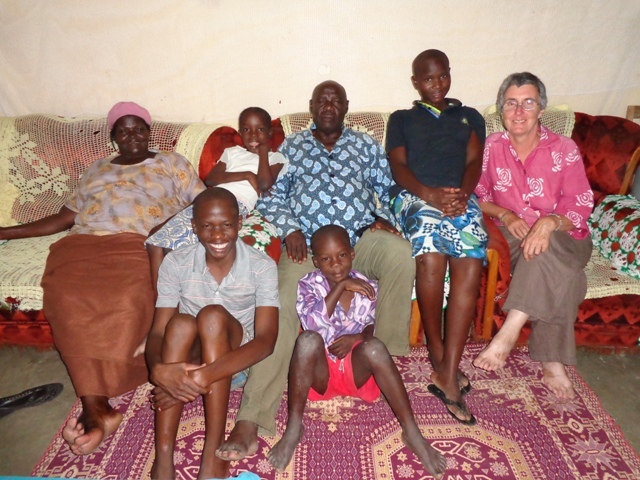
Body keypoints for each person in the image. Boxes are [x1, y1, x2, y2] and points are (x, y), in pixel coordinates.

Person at [215, 80, 415, 461]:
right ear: (311, 107)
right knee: (281, 304)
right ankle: (252, 419)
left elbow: (389, 188)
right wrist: (290, 228)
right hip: (306, 245)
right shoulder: (291, 147)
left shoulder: (365, 145)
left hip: (356, 241)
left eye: (335, 100)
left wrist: (385, 218)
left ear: (345, 107)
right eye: (321, 100)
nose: (327, 105)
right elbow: (271, 194)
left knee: (399, 253)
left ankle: (382, 359)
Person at [0, 101, 205, 454]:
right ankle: (98, 408)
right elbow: (64, 218)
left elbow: (203, 203)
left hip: (139, 243)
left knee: (127, 297)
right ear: (113, 138)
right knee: (64, 296)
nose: (132, 135)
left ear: (148, 131)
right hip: (83, 244)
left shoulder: (171, 162)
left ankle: (104, 398)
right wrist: (5, 232)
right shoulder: (96, 169)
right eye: (123, 130)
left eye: (138, 128)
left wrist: (169, 227)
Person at [267, 225, 446, 479]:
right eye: (326, 259)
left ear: (352, 254)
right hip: (321, 375)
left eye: (341, 255)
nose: (336, 264)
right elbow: (313, 324)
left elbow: (371, 325)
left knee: (375, 347)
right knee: (306, 341)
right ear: (316, 262)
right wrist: (340, 287)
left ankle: (412, 432)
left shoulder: (367, 285)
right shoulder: (308, 284)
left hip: (356, 372)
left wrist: (358, 338)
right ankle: (294, 427)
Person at [473, 72, 594, 401]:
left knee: (545, 245)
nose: (519, 111)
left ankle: (508, 333)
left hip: (568, 236)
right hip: (513, 234)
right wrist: (505, 214)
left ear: (541, 109)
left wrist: (549, 222)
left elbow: (581, 203)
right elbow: (477, 195)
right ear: (502, 111)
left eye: (528, 103)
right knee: (569, 278)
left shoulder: (564, 149)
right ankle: (552, 362)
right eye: (511, 103)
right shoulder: (491, 148)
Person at [145, 187, 279, 480]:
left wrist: (198, 378)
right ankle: (163, 455)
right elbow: (157, 332)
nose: (217, 236)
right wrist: (159, 373)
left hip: (232, 365)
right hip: (187, 358)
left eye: (226, 225)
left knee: (212, 315)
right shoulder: (175, 263)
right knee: (180, 324)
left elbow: (267, 341)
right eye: (207, 226)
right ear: (194, 227)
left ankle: (212, 451)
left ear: (239, 224)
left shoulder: (262, 267)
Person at [386, 49, 487, 425]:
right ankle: (437, 357)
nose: (437, 84)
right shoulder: (402, 118)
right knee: (430, 254)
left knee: (471, 258)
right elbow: (398, 166)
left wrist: (462, 194)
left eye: (442, 76)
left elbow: (474, 161)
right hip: (415, 195)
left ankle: (448, 370)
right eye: (428, 78)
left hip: (459, 196)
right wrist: (428, 195)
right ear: (416, 82)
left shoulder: (469, 116)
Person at [145, 107, 287, 283]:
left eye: (260, 129)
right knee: (157, 243)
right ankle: (163, 300)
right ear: (240, 132)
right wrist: (247, 175)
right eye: (246, 129)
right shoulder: (232, 152)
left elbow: (264, 183)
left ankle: (180, 295)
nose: (253, 135)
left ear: (270, 132)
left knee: (178, 247)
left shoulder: (276, 158)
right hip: (210, 200)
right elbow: (212, 179)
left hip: (234, 204)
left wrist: (264, 152)